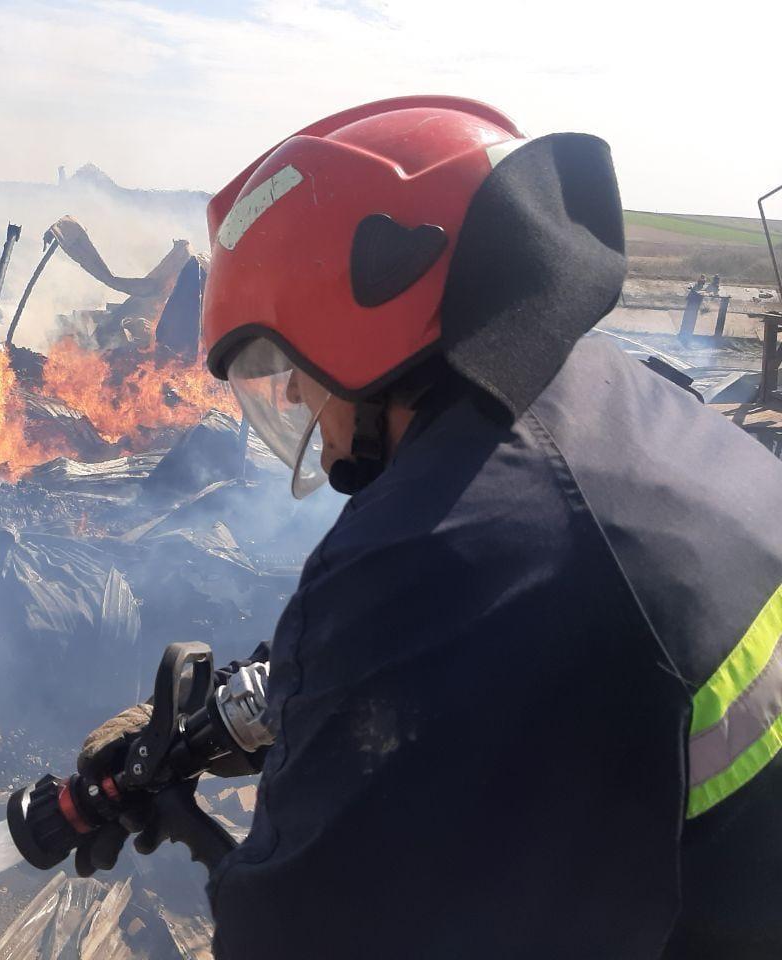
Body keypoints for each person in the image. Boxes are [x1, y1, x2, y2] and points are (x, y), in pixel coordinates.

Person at [76, 97, 782, 958]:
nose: (293, 396)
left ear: (359, 320)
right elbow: (501, 642)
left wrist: (231, 854)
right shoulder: (599, 402)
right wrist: (246, 719)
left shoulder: (451, 546)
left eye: (289, 362)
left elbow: (306, 931)